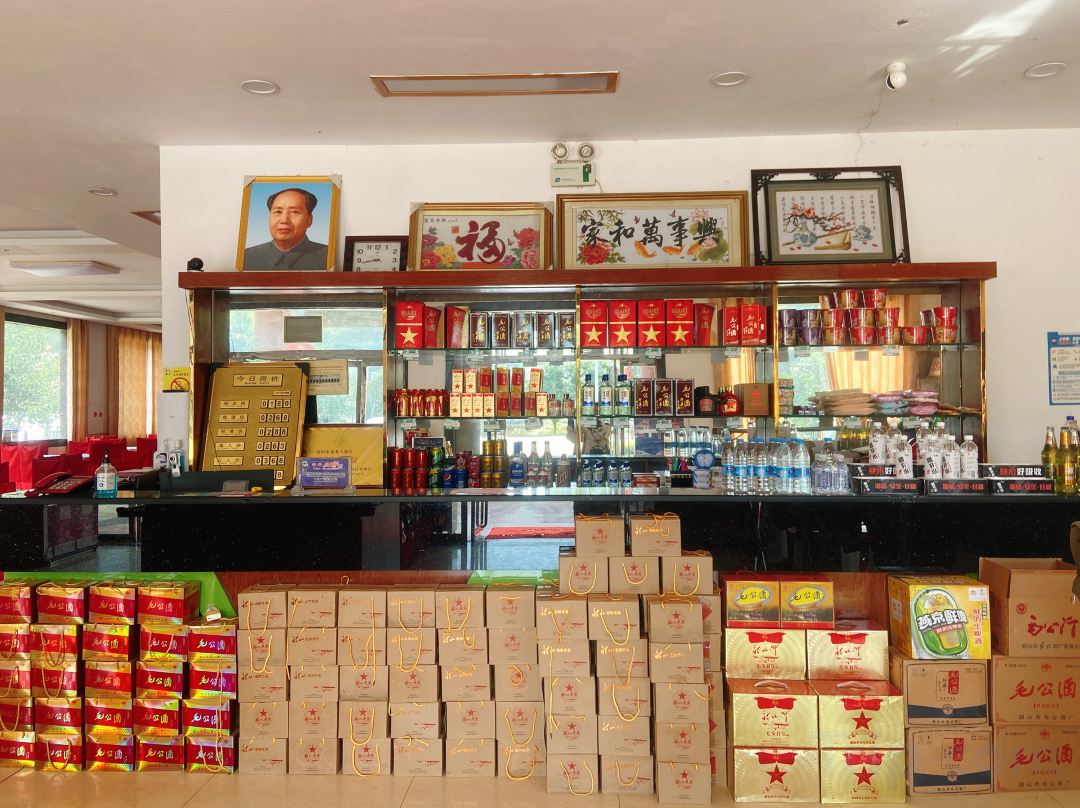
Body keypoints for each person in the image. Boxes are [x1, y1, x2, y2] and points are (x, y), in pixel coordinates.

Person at [243, 187, 329, 270]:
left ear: (309, 220)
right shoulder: (246, 257)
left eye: (294, 212)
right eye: (278, 212)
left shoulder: (328, 257)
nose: (284, 220)